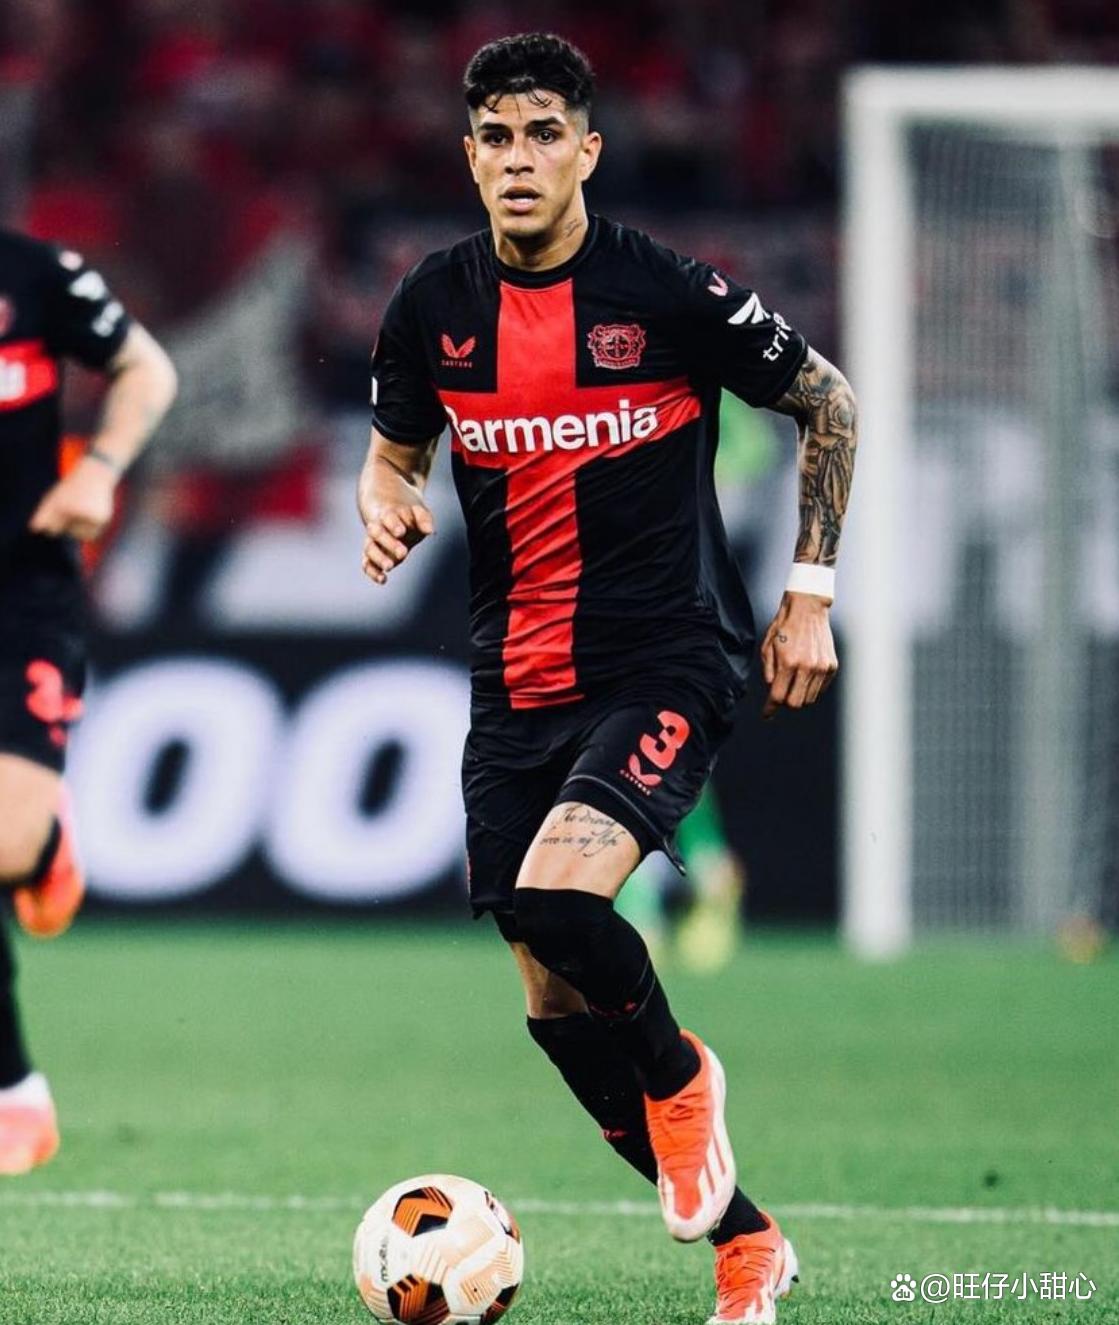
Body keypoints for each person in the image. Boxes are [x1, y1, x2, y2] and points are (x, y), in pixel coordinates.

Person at [357, 34, 856, 1325]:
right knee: (548, 990)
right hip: (512, 677)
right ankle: (746, 1241)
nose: (517, 159)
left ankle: (682, 1079)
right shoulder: (430, 304)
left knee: (561, 898)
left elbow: (828, 401)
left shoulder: (666, 292)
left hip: (663, 656)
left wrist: (807, 595)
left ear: (586, 149)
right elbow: (393, 449)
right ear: (468, 157)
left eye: (542, 135)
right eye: (494, 138)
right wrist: (385, 502)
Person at [0, 229, 177, 1173]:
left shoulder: (36, 274)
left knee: (3, 842)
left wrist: (100, 470)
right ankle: (14, 1091)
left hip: (22, 591)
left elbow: (147, 368)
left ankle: (43, 842)